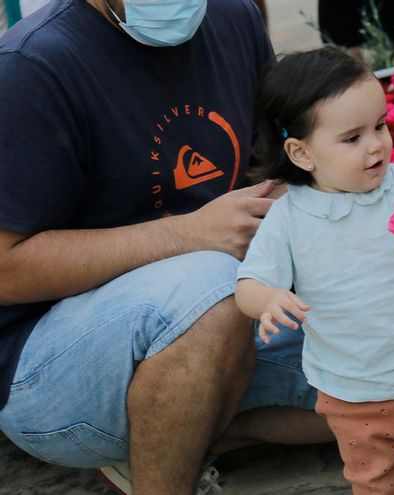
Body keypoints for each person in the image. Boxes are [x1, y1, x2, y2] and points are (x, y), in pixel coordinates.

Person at [0, 0, 333, 493]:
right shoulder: (30, 68)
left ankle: (187, 435)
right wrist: (186, 234)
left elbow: (269, 160)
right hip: (44, 372)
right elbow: (5, 270)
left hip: (221, 326)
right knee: (210, 284)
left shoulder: (233, 15)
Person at [234, 48, 394, 494]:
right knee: (375, 481)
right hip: (355, 395)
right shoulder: (290, 219)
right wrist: (269, 300)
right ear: (301, 152)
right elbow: (249, 285)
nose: (376, 145)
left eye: (380, 126)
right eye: (352, 138)